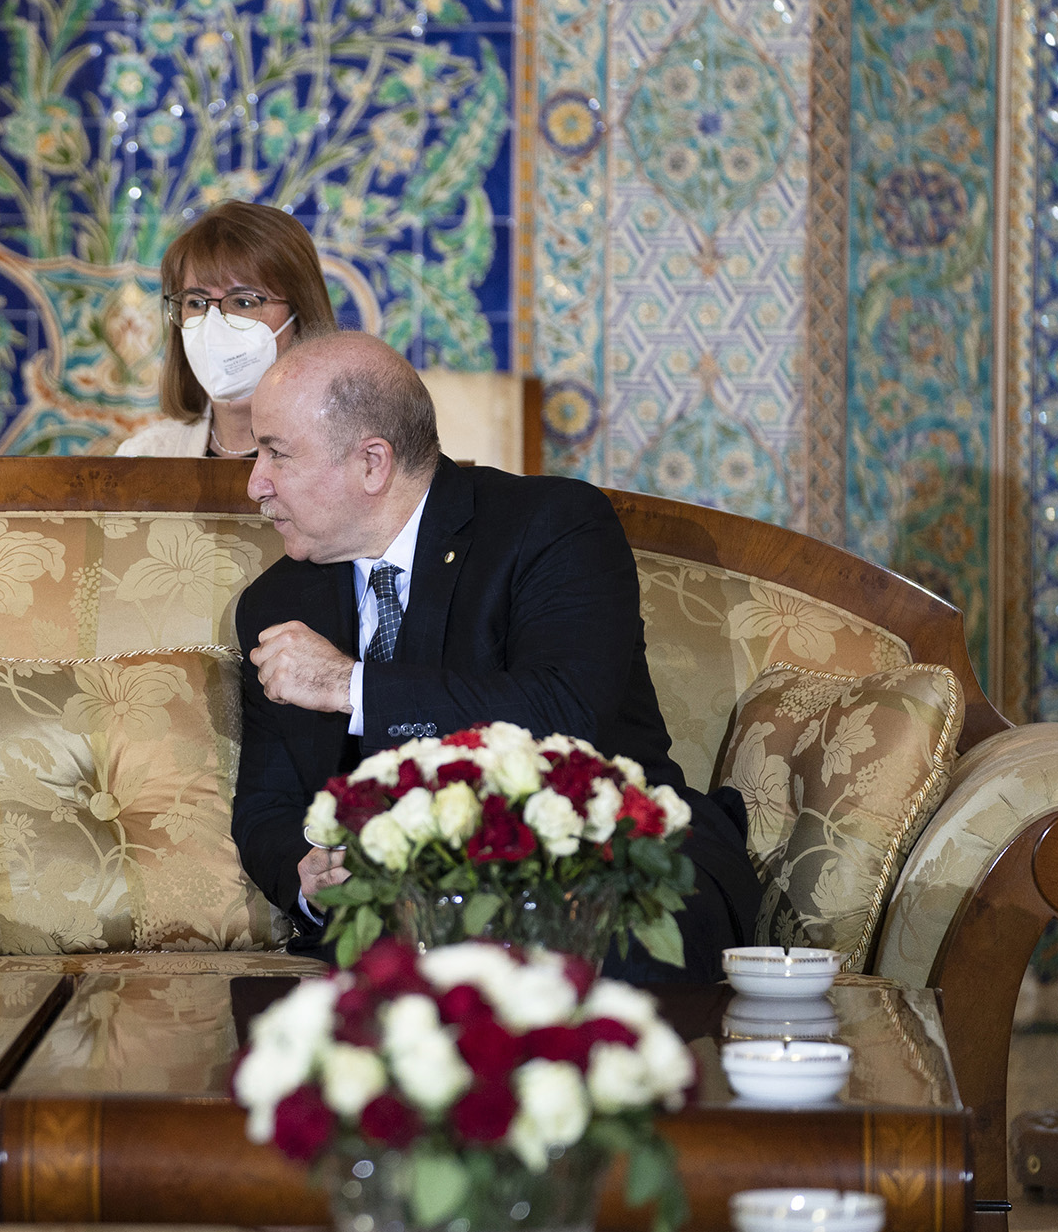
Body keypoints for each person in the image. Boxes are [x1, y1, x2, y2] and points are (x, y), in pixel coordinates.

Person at [230, 331, 760, 981]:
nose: (255, 483)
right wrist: (307, 878)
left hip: (604, 855)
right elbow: (267, 806)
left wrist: (352, 686)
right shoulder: (277, 603)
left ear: (372, 463)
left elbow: (563, 712)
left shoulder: (552, 525)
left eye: (276, 454)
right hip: (404, 906)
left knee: (572, 948)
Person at [115, 201, 339, 459]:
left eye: (243, 302)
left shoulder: (342, 460)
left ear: (299, 315)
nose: (213, 324)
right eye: (196, 303)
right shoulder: (144, 458)